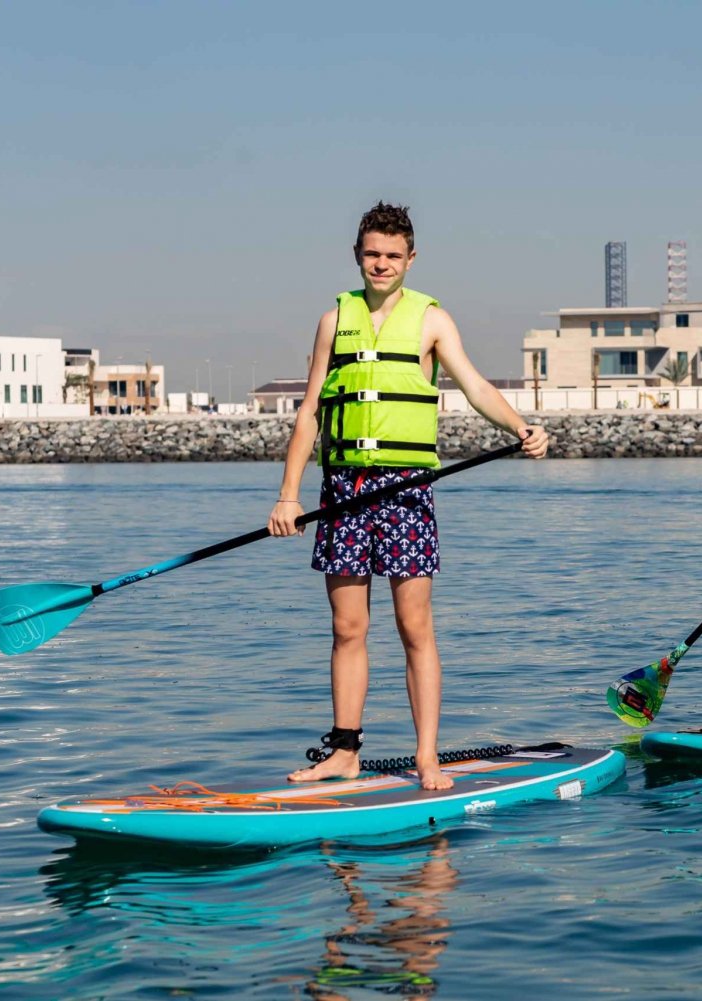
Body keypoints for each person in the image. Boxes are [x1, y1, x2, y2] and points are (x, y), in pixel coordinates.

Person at [268, 202, 549, 790]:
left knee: (414, 626)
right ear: (356, 254)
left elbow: (474, 386)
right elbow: (310, 413)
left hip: (405, 492)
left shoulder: (433, 321)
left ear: (411, 259)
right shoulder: (332, 320)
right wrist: (288, 495)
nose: (382, 264)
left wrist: (521, 427)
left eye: (393, 255)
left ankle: (426, 756)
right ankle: (345, 752)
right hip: (345, 488)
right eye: (372, 253)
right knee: (348, 628)